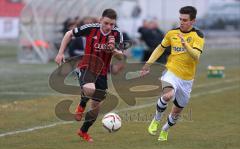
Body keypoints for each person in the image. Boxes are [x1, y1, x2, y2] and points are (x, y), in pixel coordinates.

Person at [55, 9, 125, 142]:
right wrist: (60, 53)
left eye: (112, 24)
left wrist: (114, 50)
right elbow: (69, 33)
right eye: (106, 23)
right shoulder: (91, 28)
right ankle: (81, 105)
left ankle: (83, 131)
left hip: (103, 72)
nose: (109, 26)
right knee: (90, 89)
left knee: (95, 107)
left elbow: (121, 56)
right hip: (87, 66)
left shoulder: (117, 33)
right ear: (100, 20)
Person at [140, 6, 205, 141]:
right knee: (168, 95)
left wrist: (185, 44)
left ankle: (165, 129)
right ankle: (156, 120)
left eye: (185, 20)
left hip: (187, 79)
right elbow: (160, 48)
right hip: (172, 71)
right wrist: (148, 64)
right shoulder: (171, 33)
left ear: (193, 21)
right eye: (180, 19)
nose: (181, 22)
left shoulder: (198, 35)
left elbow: (196, 56)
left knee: (176, 113)